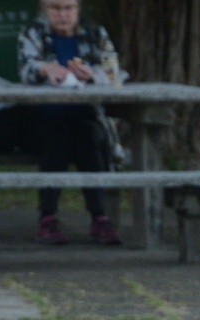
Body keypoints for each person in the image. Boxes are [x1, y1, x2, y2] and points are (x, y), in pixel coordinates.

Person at [17, 0, 123, 247]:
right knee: (58, 136)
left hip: (85, 114)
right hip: (44, 116)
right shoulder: (33, 33)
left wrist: (93, 75)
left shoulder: (96, 34)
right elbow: (26, 69)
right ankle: (47, 217)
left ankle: (99, 217)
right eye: (55, 8)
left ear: (78, 10)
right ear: (44, 10)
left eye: (68, 8)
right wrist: (45, 68)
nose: (62, 14)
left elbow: (112, 73)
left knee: (88, 136)